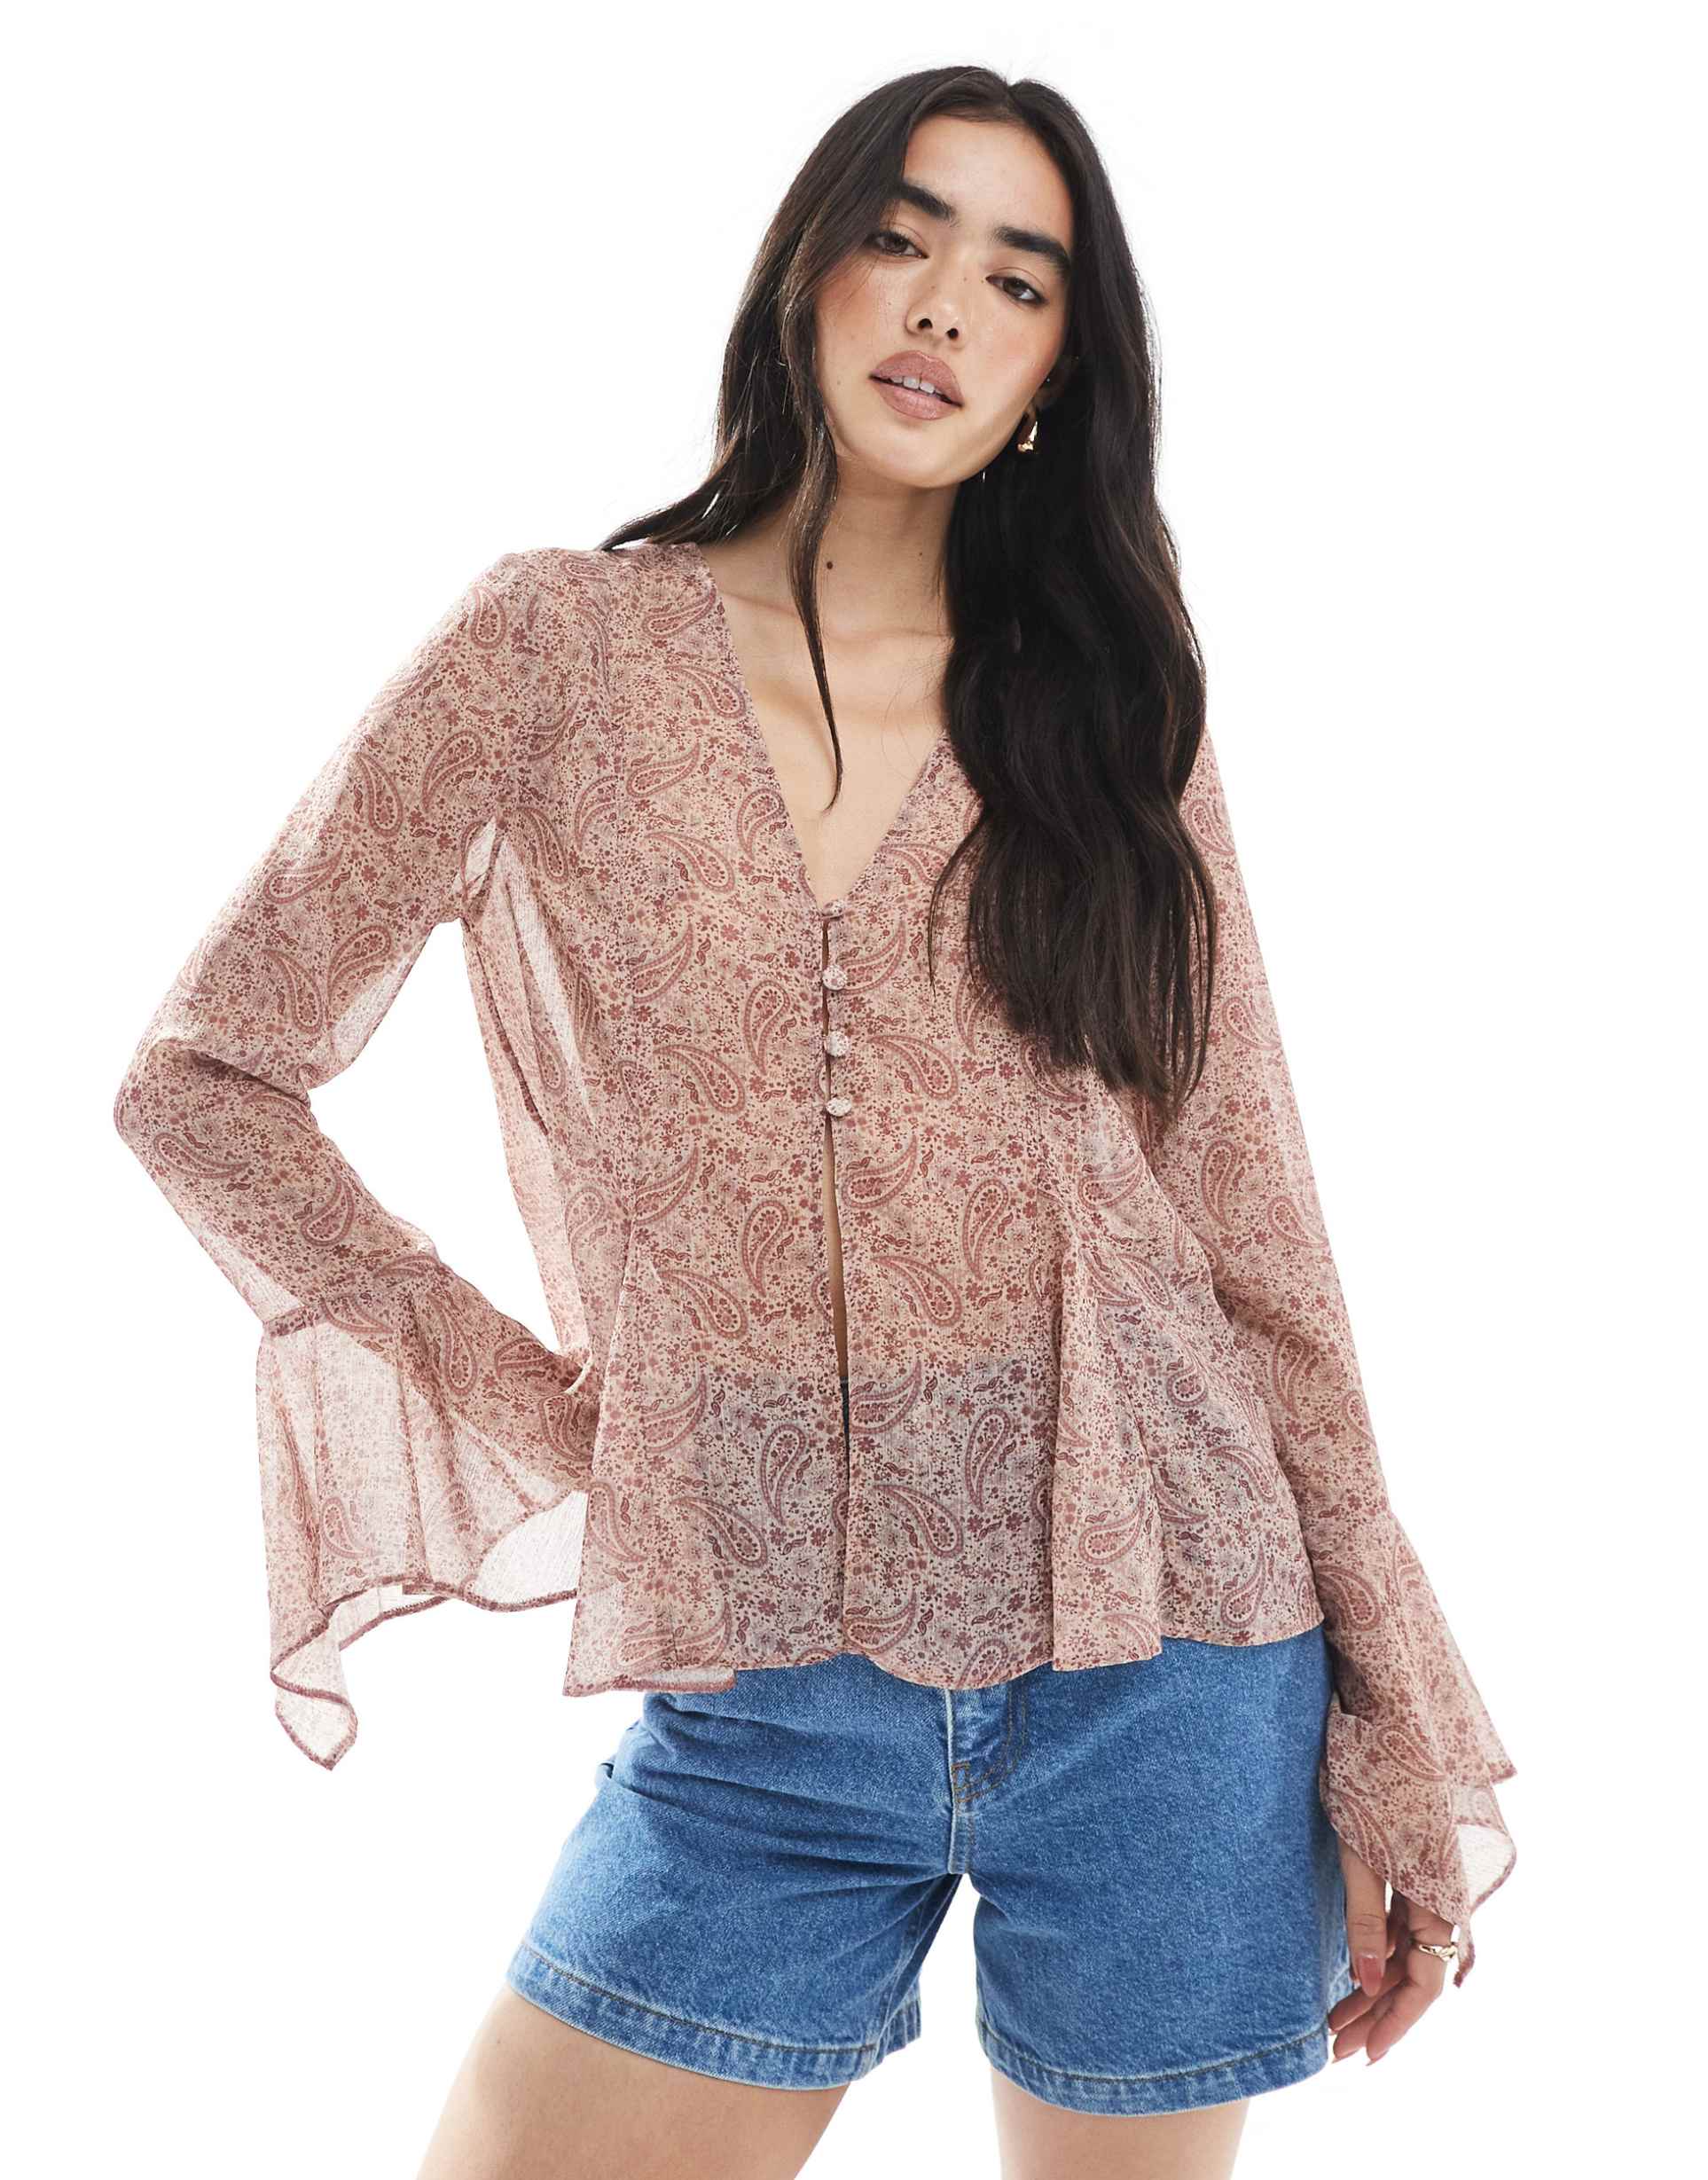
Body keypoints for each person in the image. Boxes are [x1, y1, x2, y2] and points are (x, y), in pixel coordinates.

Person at [113, 66, 1516, 2180]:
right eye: (902, 235)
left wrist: (1397, 1727)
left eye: (1017, 278)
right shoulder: (553, 645)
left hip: (1173, 1657)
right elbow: (206, 1076)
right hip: (768, 1694)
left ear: (1057, 368)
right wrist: (560, 1407)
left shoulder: (1114, 695)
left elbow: (1251, 1216)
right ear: (808, 270)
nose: (944, 303)